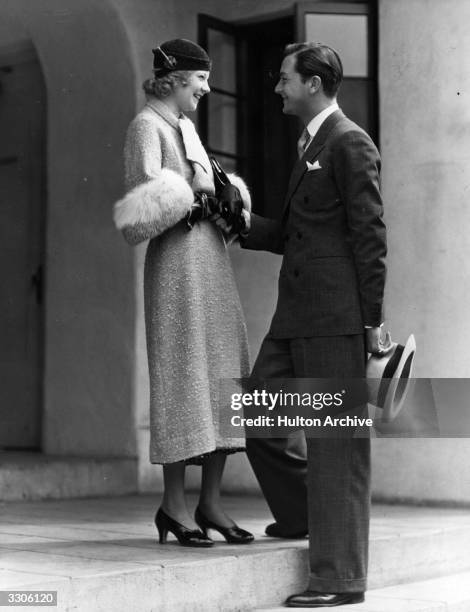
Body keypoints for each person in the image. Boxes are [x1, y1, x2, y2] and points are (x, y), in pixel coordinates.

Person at [222, 42, 388, 606]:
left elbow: (370, 238)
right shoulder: (312, 142)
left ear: (313, 83)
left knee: (336, 447)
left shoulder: (349, 142)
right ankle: (303, 516)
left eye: (285, 79)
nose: (276, 88)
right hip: (294, 317)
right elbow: (299, 236)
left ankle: (339, 580)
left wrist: (374, 323)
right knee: (259, 417)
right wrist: (241, 220)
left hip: (335, 319)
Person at [113, 39, 254, 547]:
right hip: (175, 265)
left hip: (210, 262)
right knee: (181, 373)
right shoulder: (146, 127)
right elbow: (138, 210)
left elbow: (207, 189)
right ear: (173, 80)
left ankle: (210, 503)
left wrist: (226, 196)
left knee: (222, 370)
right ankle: (173, 506)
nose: (207, 88)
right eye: (200, 80)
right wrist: (190, 194)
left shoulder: (187, 129)